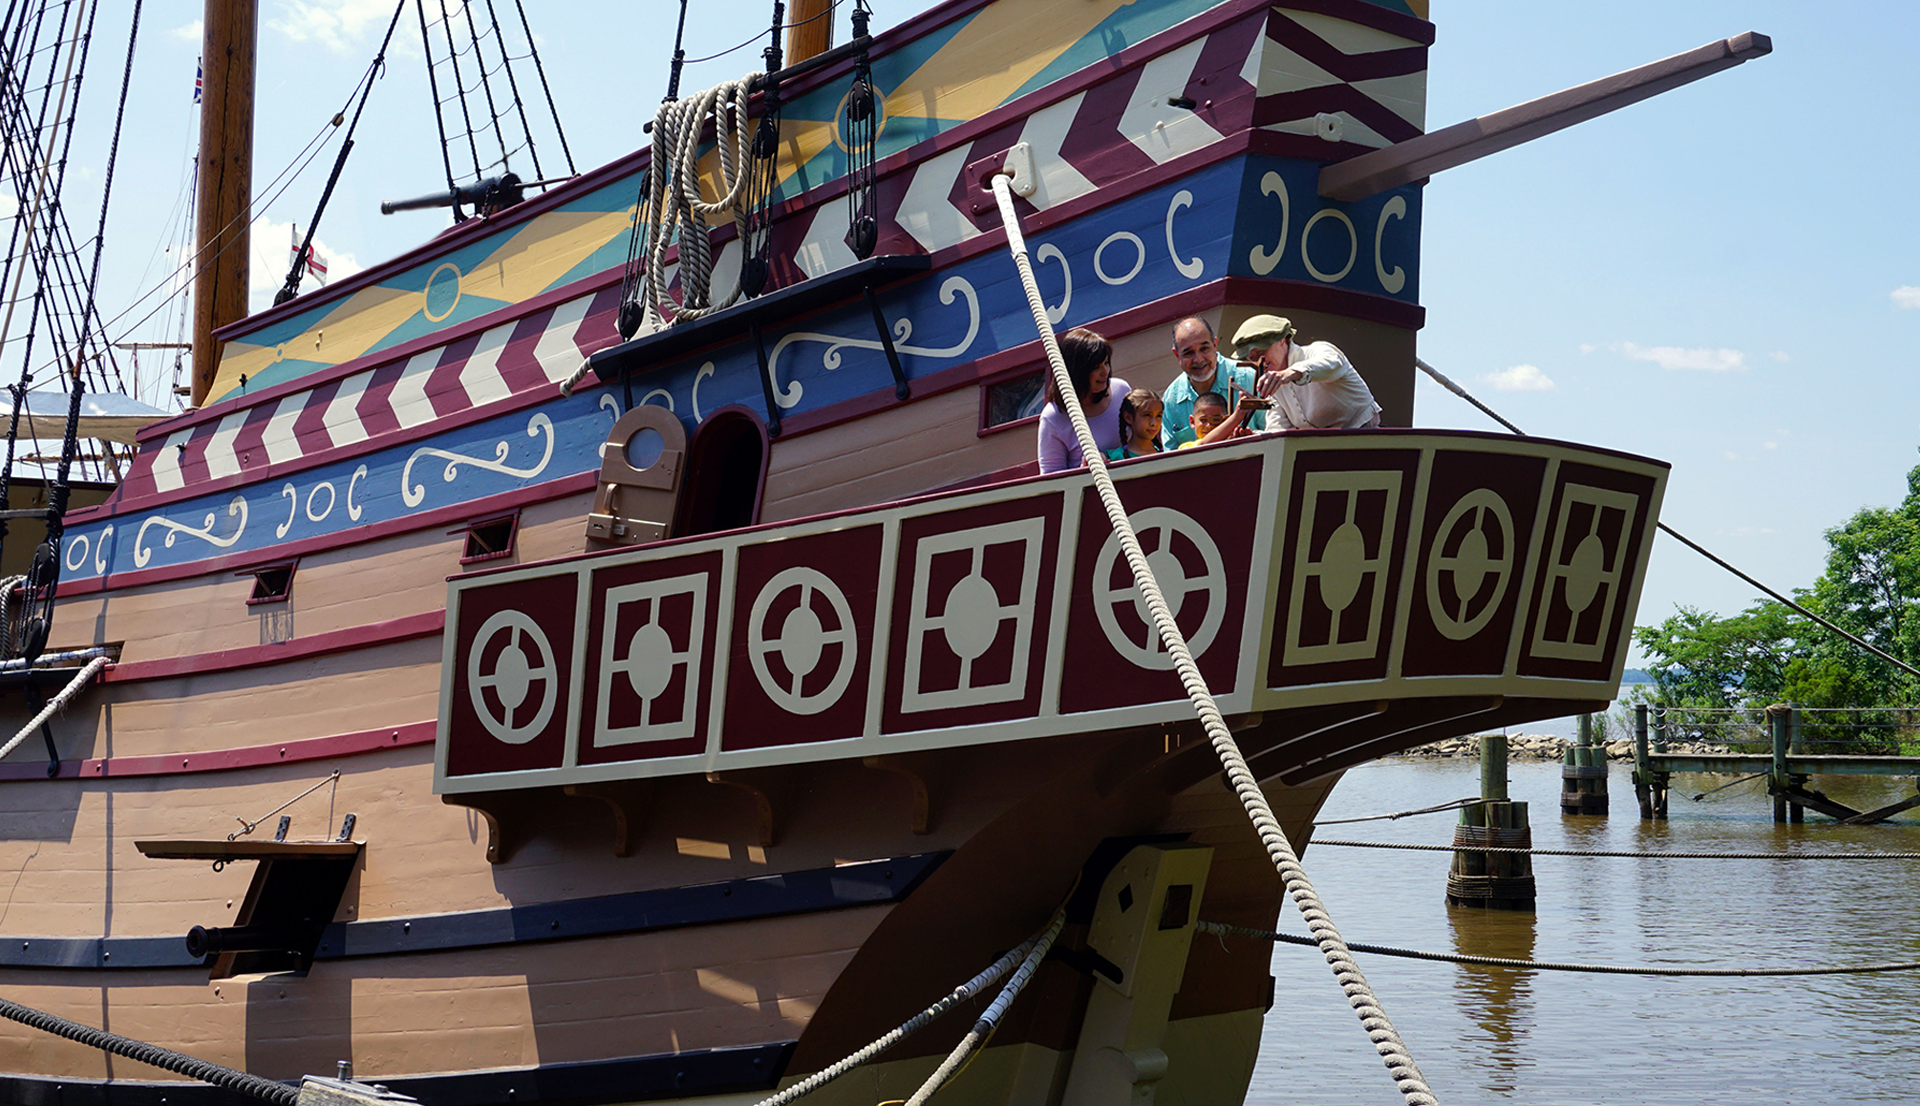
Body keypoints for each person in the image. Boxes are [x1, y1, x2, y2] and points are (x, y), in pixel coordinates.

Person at [1231, 314, 1382, 430]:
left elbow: (1332, 362)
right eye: (1252, 358)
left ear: (1282, 340)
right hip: (1322, 447)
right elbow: (1278, 428)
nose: (1258, 361)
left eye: (1260, 352)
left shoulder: (1315, 350)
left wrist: (1291, 373)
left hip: (1362, 433)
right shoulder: (1274, 382)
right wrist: (1255, 437)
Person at [1036, 328, 1130, 473]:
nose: (1105, 371)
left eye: (1106, 363)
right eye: (1096, 367)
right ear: (1077, 372)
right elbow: (1051, 480)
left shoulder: (1122, 390)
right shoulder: (1053, 417)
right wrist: (1083, 471)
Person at [1160, 316, 1263, 448]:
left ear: (1215, 345)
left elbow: (1276, 430)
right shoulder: (1171, 400)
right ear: (1176, 355)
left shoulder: (1250, 378)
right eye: (1189, 353)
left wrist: (1254, 438)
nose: (1198, 359)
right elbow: (1171, 459)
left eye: (1204, 349)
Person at [1105, 388, 1164, 460]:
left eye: (1158, 416)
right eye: (1147, 415)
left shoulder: (1165, 454)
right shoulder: (1117, 457)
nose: (1154, 423)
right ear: (1128, 418)